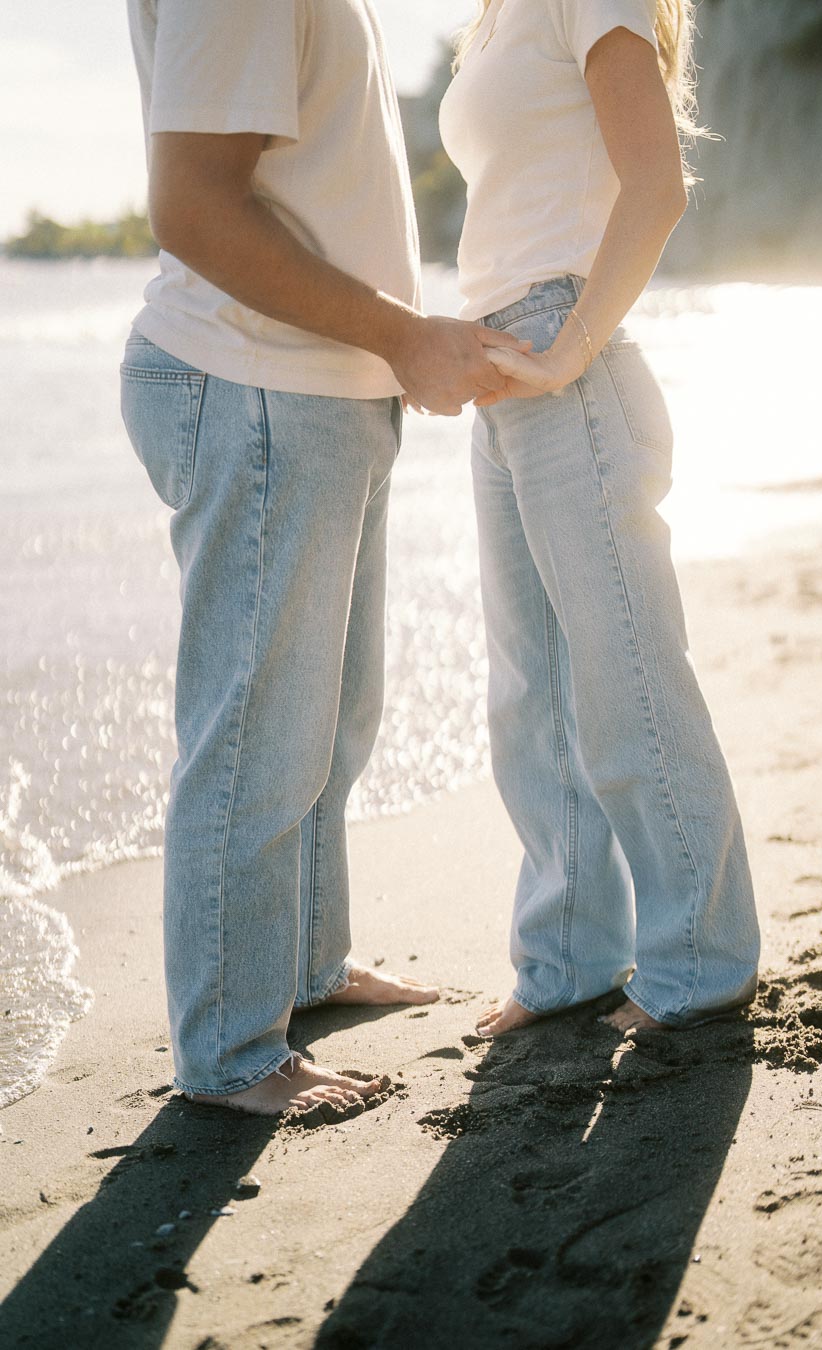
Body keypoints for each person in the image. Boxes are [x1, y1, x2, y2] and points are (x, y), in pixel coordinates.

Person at [121, 0, 526, 1117]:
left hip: (316, 389)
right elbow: (196, 208)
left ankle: (300, 966)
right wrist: (405, 336)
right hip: (256, 386)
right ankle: (233, 1048)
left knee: (331, 720)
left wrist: (389, 353)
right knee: (258, 737)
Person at [438, 0, 760, 1036]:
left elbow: (655, 186)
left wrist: (569, 350)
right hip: (503, 359)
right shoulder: (495, 14)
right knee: (531, 691)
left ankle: (701, 962)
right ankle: (569, 956)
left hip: (560, 349)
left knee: (626, 678)